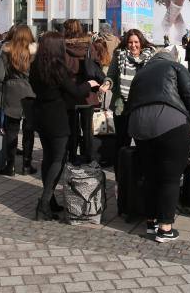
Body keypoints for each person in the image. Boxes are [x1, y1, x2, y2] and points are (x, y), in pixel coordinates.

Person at [125, 45, 190, 243]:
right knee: (170, 177)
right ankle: (165, 228)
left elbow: (129, 102)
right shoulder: (175, 67)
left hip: (139, 124)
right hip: (171, 122)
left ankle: (151, 222)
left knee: (149, 176)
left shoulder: (141, 74)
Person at [29, 31, 99, 220]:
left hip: (41, 115)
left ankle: (50, 201)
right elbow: (75, 91)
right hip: (57, 118)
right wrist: (89, 83)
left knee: (48, 158)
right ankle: (44, 203)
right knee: (58, 160)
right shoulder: (57, 67)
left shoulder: (35, 66)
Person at [100, 28, 155, 168]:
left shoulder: (150, 57)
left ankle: (140, 170)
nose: (133, 45)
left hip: (142, 105)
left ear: (141, 43)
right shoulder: (119, 55)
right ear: (126, 43)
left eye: (136, 42)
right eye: (130, 42)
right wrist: (107, 84)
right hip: (121, 105)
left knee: (142, 140)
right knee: (122, 141)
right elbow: (111, 75)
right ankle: (120, 172)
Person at [0, 24, 37, 176]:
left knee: (11, 131)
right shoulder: (34, 53)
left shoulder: (5, 51)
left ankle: (10, 165)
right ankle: (27, 165)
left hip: (11, 92)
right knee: (29, 131)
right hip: (30, 93)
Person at [63, 19, 105, 165]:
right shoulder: (89, 46)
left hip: (70, 92)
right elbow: (96, 66)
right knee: (87, 128)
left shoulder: (62, 47)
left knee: (71, 128)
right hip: (89, 94)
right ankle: (88, 157)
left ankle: (72, 157)